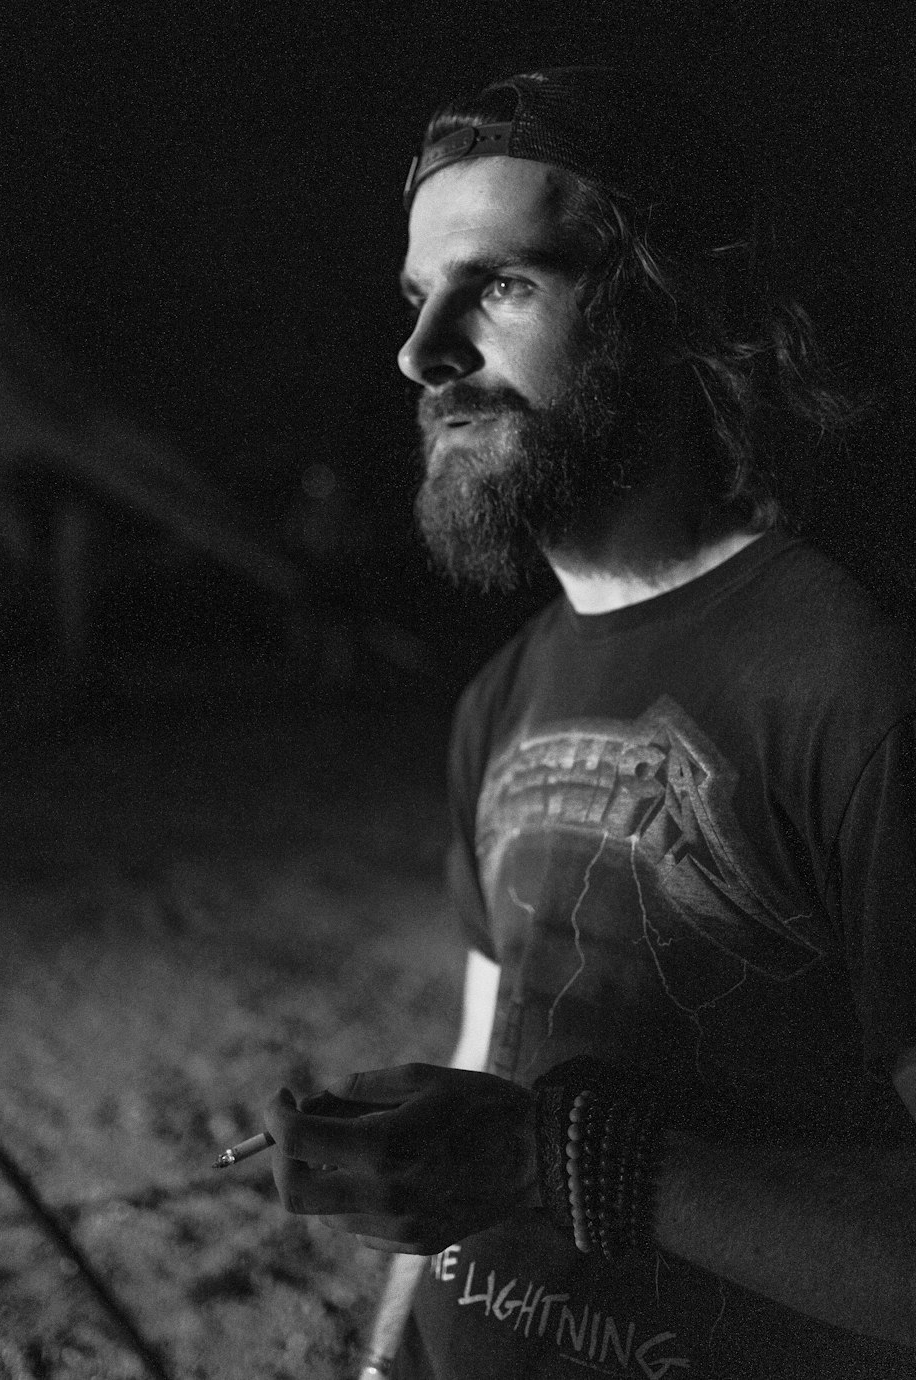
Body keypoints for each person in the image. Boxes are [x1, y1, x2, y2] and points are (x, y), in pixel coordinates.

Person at [263, 68, 916, 1378]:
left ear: (674, 310)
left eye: (502, 285)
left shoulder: (851, 683)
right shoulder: (502, 693)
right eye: (416, 298)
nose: (421, 351)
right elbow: (489, 1044)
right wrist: (392, 1358)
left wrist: (552, 1160)